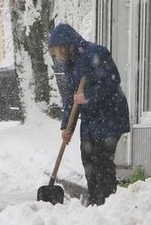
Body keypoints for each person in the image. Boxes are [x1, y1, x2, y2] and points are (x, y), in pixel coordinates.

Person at [48, 23, 130, 206]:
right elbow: (71, 98)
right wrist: (66, 127)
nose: (57, 56)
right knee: (88, 161)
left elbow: (113, 81)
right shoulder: (70, 65)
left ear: (65, 45)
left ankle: (107, 203)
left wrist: (88, 96)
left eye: (57, 51)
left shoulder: (97, 53)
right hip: (90, 120)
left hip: (110, 115)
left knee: (102, 161)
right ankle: (94, 202)